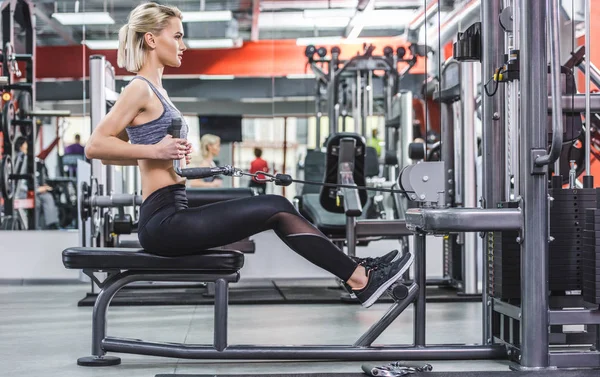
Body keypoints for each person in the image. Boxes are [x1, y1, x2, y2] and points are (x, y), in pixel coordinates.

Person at [83, 2, 412, 308]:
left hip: (173, 207)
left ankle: (356, 270)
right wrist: (154, 150)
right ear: (152, 40)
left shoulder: (157, 91)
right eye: (178, 36)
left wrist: (153, 155)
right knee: (277, 207)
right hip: (163, 221)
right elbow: (96, 146)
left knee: (277, 206)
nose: (184, 45)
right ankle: (359, 279)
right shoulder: (138, 88)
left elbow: (122, 151)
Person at [14, 137, 60, 229]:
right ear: (21, 146)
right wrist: (38, 189)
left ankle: (52, 225)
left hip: (31, 189)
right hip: (22, 191)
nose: (28, 145)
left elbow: (31, 179)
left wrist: (41, 187)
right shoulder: (20, 159)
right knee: (37, 201)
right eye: (26, 143)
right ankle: (35, 226)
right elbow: (19, 183)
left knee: (48, 197)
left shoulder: (29, 159)